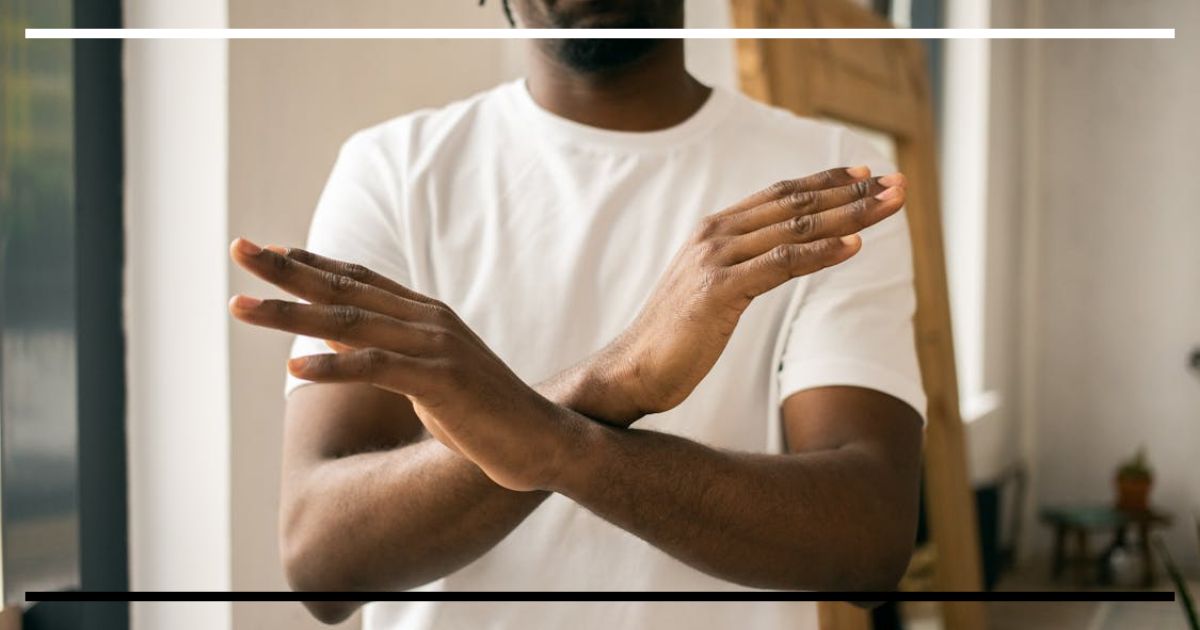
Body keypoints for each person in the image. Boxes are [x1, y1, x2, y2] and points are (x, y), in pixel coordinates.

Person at [228, 1, 926, 627]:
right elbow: (323, 560)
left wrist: (554, 442)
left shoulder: (830, 180)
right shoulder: (392, 170)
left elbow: (868, 540)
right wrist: (610, 382)